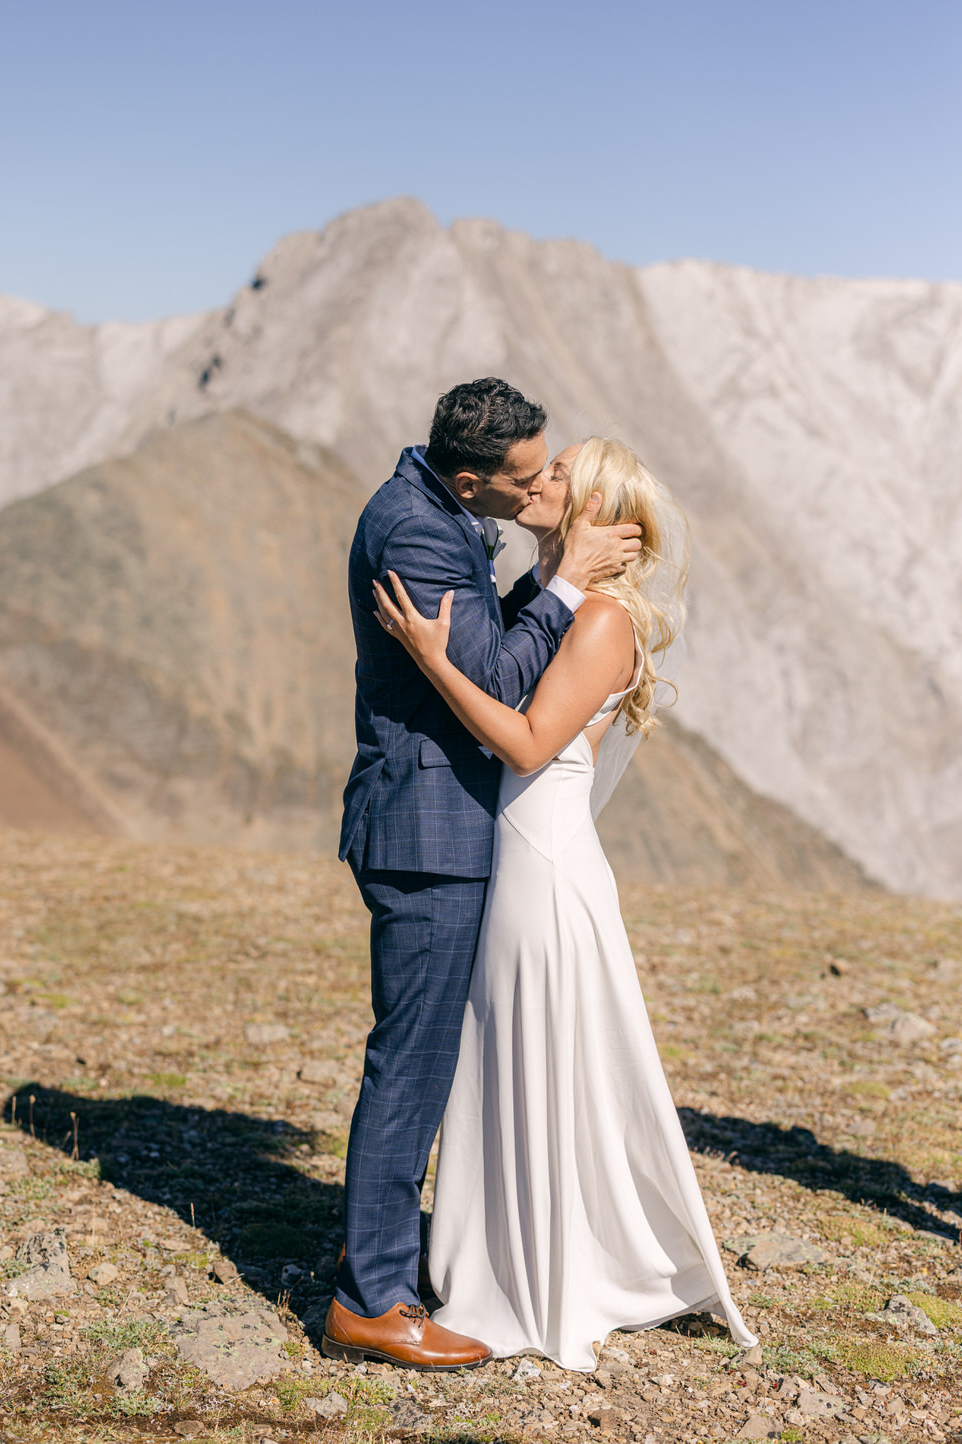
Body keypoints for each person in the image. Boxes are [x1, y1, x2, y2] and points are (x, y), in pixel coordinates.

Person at [373, 435, 758, 1371]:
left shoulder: (599, 622)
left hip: (543, 866)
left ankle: (530, 1282)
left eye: (559, 475)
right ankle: (498, 1255)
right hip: (521, 854)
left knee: (524, 1054)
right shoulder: (556, 606)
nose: (538, 481)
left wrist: (432, 656)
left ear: (593, 510)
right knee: (506, 1057)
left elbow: (528, 741)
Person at [326, 382, 642, 1369]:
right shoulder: (417, 533)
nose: (545, 481)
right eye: (529, 474)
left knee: (427, 1064)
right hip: (427, 833)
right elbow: (501, 682)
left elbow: (479, 655)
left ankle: (414, 1261)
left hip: (449, 830)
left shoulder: (437, 508)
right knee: (410, 1067)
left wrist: (543, 588)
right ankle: (369, 1297)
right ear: (472, 478)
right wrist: (559, 587)